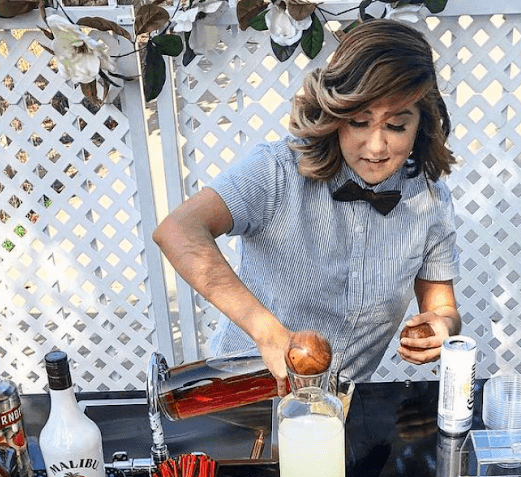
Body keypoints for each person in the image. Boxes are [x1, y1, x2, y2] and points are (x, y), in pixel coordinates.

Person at [152, 20, 462, 392]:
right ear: (335, 115)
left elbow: (442, 306)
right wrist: (265, 329)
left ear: (421, 124)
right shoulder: (278, 169)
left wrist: (440, 326)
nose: (376, 147)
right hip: (245, 394)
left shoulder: (430, 200)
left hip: (340, 408)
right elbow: (177, 230)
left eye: (396, 126)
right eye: (359, 122)